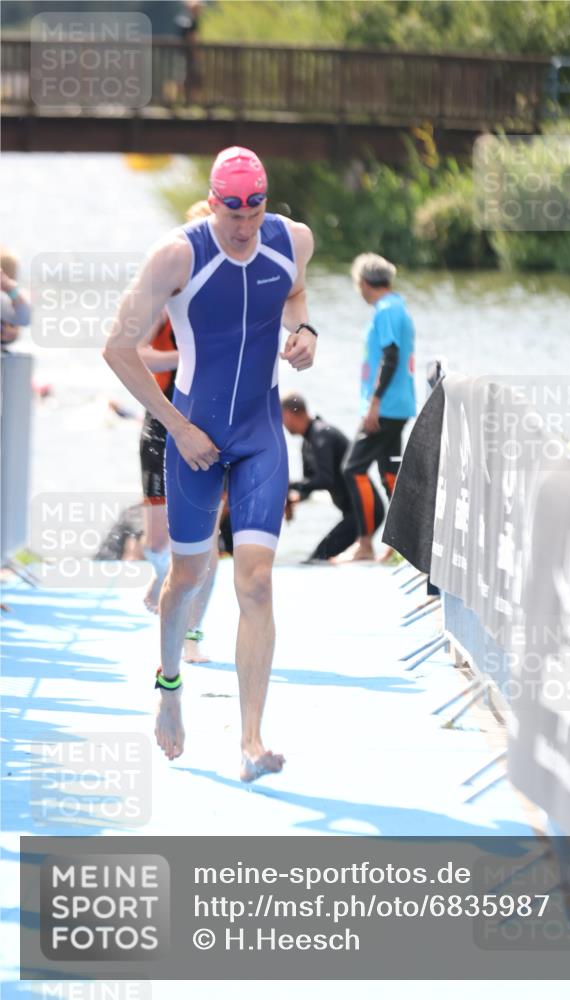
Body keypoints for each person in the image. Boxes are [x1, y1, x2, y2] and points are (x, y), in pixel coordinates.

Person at [103, 146, 317, 781]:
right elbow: (116, 348)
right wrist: (178, 426)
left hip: (260, 433)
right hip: (193, 433)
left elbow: (296, 292)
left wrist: (305, 331)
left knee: (256, 582)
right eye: (233, 212)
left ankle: (251, 741)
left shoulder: (293, 240)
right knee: (187, 577)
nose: (245, 225)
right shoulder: (177, 255)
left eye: (255, 211)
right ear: (213, 202)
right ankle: (169, 688)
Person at [138, 199, 225, 666]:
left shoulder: (231, 293)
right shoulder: (164, 293)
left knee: (208, 540)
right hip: (163, 419)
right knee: (156, 542)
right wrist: (183, 356)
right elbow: (133, 352)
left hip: (210, 423)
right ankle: (165, 576)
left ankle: (192, 633)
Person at [340, 253, 416, 562]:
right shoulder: (397, 307)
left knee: (353, 469)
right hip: (396, 406)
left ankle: (364, 544)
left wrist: (374, 403)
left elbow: (391, 356)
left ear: (363, 282)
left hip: (385, 407)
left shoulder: (386, 310)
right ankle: (404, 542)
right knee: (389, 472)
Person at [281, 393, 383, 562]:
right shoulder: (307, 442)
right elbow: (310, 485)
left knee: (318, 558)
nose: (282, 424)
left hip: (367, 510)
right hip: (352, 513)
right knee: (320, 557)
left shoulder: (321, 434)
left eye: (282, 417)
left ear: (290, 413)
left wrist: (289, 485)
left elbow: (325, 480)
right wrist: (294, 498)